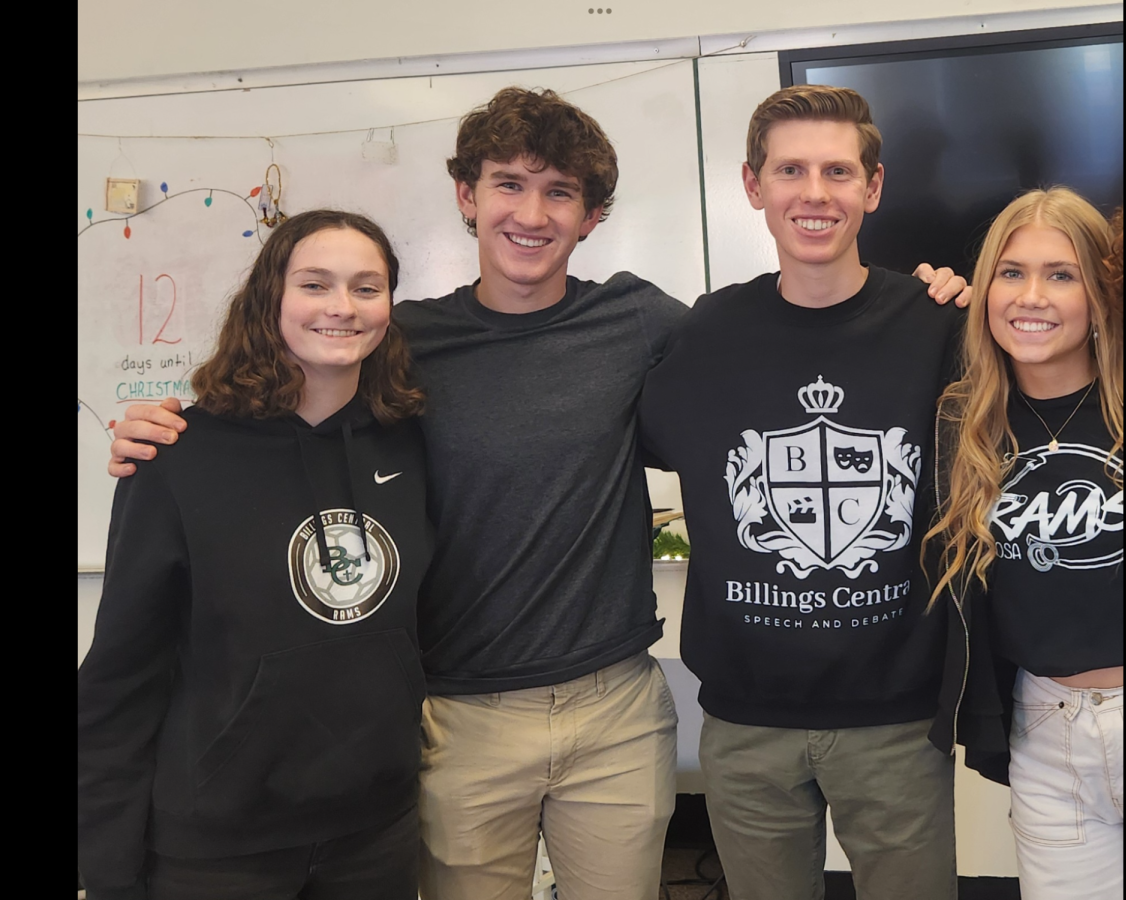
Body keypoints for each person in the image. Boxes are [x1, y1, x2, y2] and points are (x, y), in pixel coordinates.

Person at [103, 87, 969, 900]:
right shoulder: (403, 344)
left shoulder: (650, 324)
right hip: (459, 716)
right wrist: (178, 423)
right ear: (465, 196)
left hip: (616, 710)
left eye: (559, 193)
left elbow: (785, 345)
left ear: (591, 217)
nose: (531, 213)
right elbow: (296, 394)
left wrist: (943, 291)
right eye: (508, 185)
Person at [638, 85, 966, 900]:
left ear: (874, 187)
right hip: (747, 723)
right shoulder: (705, 336)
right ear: (754, 186)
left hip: (896, 717)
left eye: (837, 171)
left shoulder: (939, 326)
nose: (814, 194)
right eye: (790, 170)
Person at [78, 209, 433, 900]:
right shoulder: (177, 456)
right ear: (270, 298)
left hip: (374, 831)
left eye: (367, 287)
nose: (341, 306)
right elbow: (121, 678)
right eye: (315, 284)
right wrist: (109, 872)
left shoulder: (411, 445)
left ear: (390, 307)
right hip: (217, 844)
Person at [924, 188, 1122, 899]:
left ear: (1100, 293)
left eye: (1061, 274)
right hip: (1046, 727)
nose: (1031, 295)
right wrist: (921, 300)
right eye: (1010, 272)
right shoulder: (960, 420)